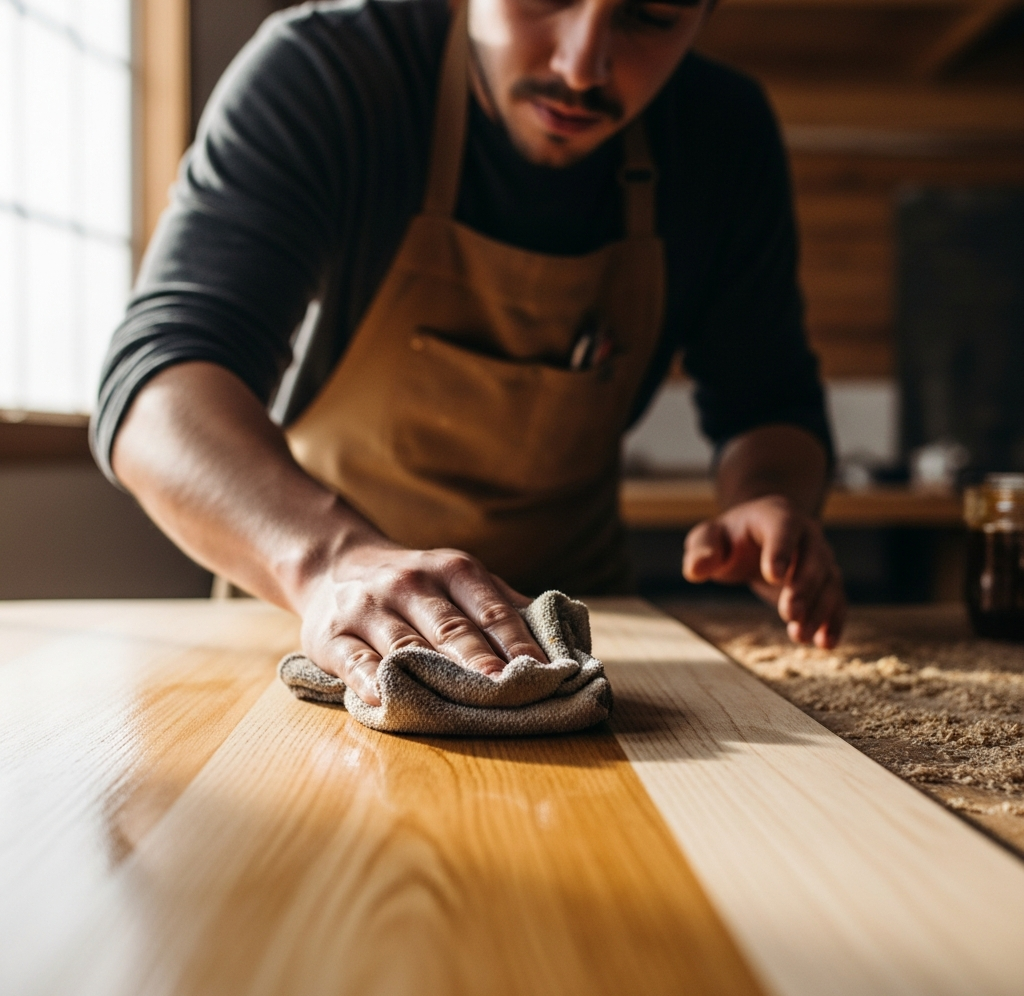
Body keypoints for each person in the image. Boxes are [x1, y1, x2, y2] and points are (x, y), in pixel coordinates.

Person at [93, 0, 846, 708]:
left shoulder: (724, 134)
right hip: (316, 614)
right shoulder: (330, 74)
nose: (583, 65)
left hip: (587, 639)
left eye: (648, 15)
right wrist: (331, 563)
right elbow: (158, 389)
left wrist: (767, 498)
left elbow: (768, 405)